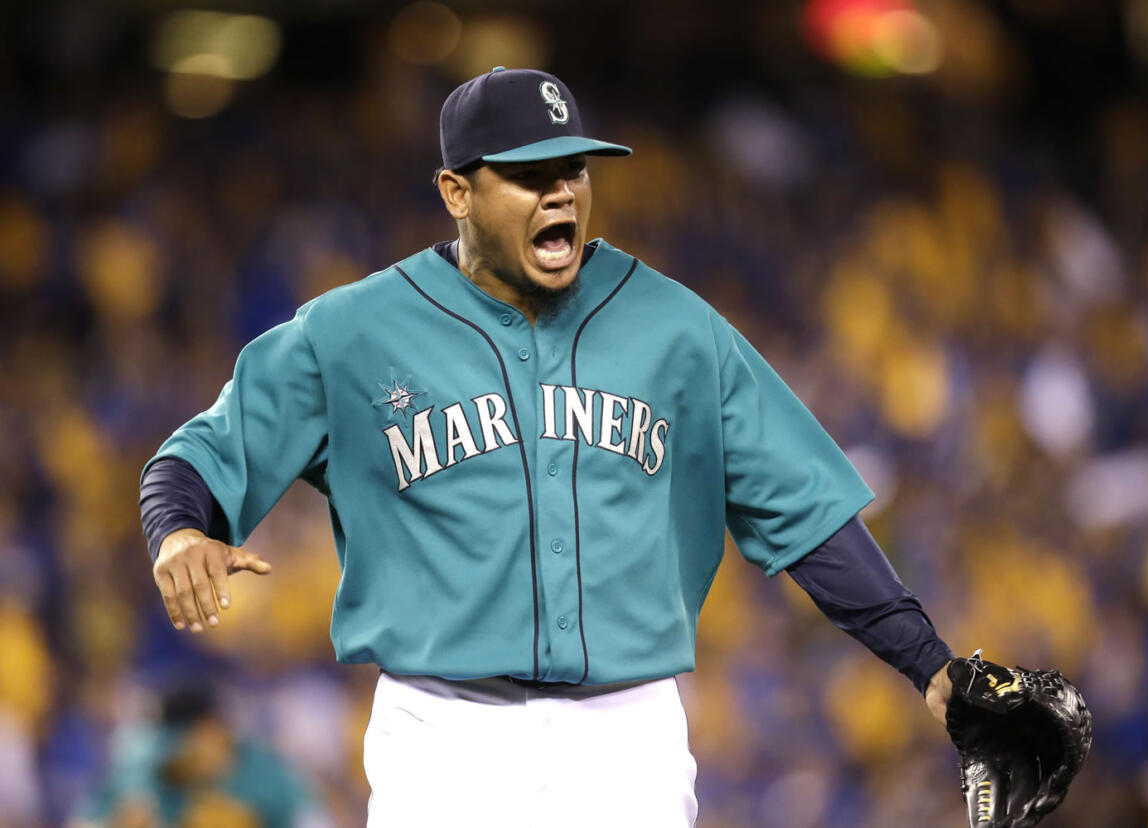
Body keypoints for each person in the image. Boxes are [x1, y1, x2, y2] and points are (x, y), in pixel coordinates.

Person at [139, 67, 957, 827]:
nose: (561, 192)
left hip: (626, 735)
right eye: (530, 175)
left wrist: (931, 666)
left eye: (574, 170)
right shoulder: (350, 333)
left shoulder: (674, 326)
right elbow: (199, 459)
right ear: (457, 191)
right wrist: (179, 529)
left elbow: (805, 511)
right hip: (443, 734)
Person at [69, 684, 325, 828]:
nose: (172, 755)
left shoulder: (270, 777)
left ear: (212, 731)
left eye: (179, 742)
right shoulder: (142, 773)